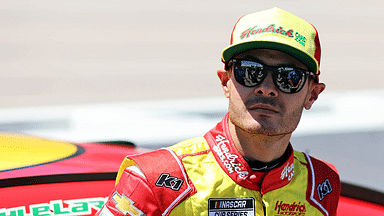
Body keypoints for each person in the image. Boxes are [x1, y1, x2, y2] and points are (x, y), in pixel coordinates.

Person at [96, 7, 340, 216]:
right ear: (226, 82)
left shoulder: (320, 184)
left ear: (312, 94)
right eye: (249, 71)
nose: (266, 89)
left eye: (288, 77)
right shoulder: (154, 178)